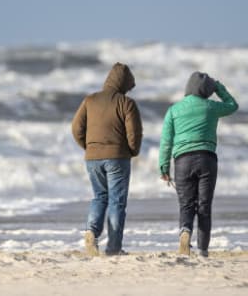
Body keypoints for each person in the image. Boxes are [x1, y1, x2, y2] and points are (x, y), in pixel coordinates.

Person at [158, 71, 238, 257]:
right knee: (204, 205)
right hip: (207, 159)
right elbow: (233, 105)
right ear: (206, 90)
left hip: (182, 161)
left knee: (186, 204)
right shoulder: (211, 107)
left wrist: (163, 166)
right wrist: (218, 87)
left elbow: (166, 141)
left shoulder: (174, 110)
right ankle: (202, 250)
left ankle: (185, 231)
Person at [71, 62, 143, 256]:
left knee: (99, 197)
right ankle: (113, 248)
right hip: (117, 158)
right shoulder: (126, 103)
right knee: (117, 202)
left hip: (92, 158)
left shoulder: (90, 100)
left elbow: (76, 128)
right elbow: (134, 134)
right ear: (124, 84)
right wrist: (132, 151)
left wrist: (89, 147)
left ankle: (91, 232)